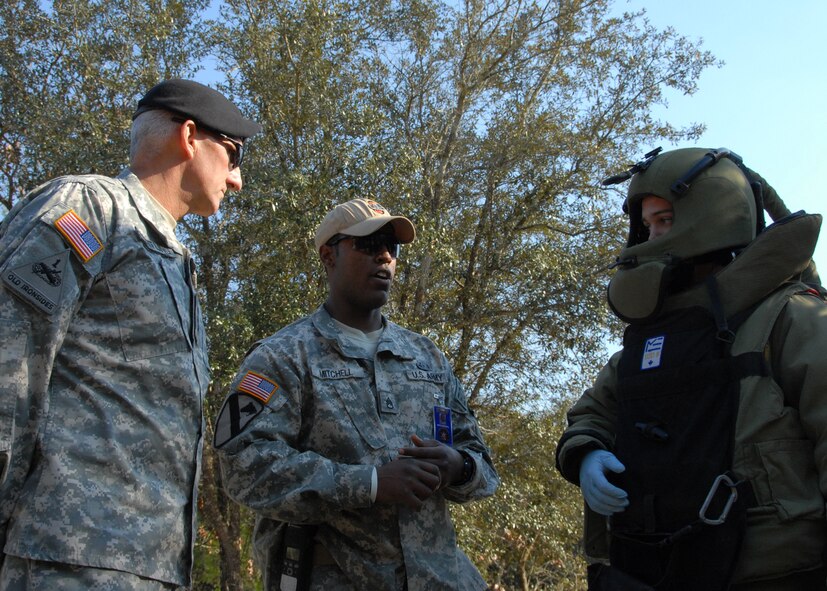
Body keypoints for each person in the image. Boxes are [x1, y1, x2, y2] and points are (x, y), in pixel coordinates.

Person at [0, 78, 261, 589]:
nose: (236, 181)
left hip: (148, 569)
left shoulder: (176, 263)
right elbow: (10, 363)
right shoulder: (90, 210)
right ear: (189, 136)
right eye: (233, 157)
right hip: (65, 560)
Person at [555, 147, 827, 591]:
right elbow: (592, 412)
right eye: (647, 226)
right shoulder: (648, 339)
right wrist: (586, 453)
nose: (652, 236)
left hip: (772, 574)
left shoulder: (791, 318)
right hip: (645, 569)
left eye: (665, 220)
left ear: (711, 216)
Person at [213, 198, 499, 590]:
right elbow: (245, 468)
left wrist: (458, 465)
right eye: (367, 244)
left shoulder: (427, 357)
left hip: (441, 578)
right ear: (329, 255)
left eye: (391, 247)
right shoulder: (282, 357)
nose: (384, 256)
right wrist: (371, 483)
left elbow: (483, 466)